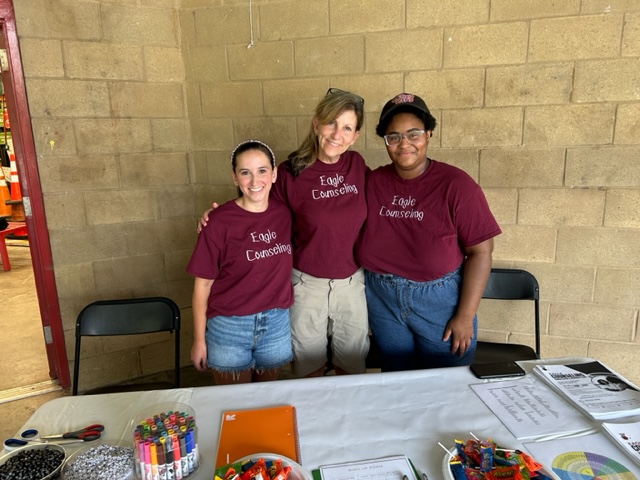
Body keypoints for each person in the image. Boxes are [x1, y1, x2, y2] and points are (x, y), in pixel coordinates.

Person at [200, 89, 370, 377]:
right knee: (308, 368)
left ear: (355, 136)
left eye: (347, 128)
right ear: (316, 124)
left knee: (352, 368)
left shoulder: (358, 166)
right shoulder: (292, 172)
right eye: (331, 123)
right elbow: (257, 206)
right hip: (307, 283)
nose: (336, 133)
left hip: (351, 285)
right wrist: (216, 217)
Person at [356, 93, 502, 372]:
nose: (404, 144)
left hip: (439, 303)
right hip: (382, 298)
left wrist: (464, 316)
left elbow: (481, 252)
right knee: (397, 379)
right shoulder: (373, 182)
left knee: (445, 384)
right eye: (394, 137)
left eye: (414, 134)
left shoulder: (457, 185)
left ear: (429, 133)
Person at [187, 140, 294, 385]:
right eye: (245, 173)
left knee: (267, 402)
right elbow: (202, 286)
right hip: (229, 327)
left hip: (275, 324)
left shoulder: (285, 214)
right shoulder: (217, 222)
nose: (255, 182)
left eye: (262, 171)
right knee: (234, 406)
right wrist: (199, 340)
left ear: (274, 174)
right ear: (235, 178)